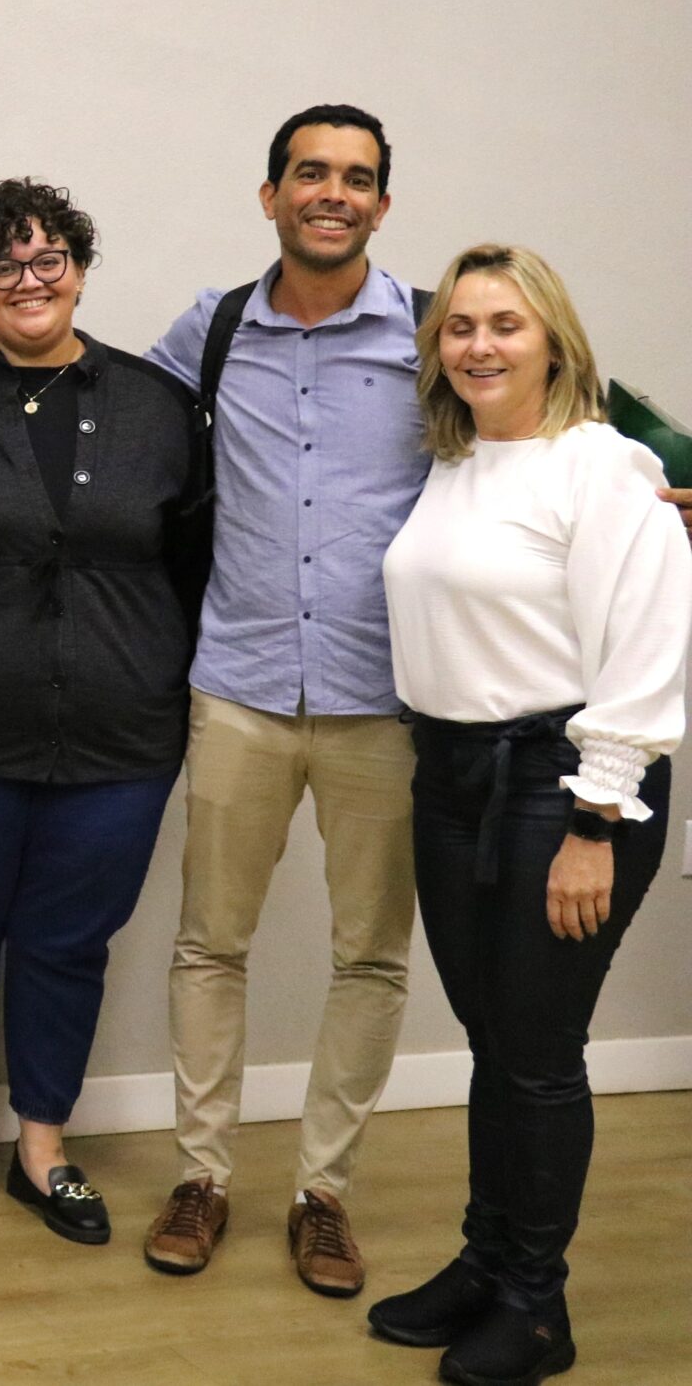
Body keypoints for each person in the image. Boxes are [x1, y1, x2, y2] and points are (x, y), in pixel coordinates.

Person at [372, 245, 687, 1386]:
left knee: (539, 1053)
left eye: (504, 324)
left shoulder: (599, 467)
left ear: (550, 337)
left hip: (563, 784)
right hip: (451, 778)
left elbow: (648, 651)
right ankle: (485, 1262)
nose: (478, 346)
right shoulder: (455, 465)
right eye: (458, 326)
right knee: (493, 1045)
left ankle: (537, 1307)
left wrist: (594, 823)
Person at [137, 105, 426, 1296]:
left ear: (380, 206)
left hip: (387, 700)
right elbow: (95, 402)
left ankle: (324, 1194)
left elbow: (536, 417)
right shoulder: (208, 334)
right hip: (241, 689)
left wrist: (647, 478)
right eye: (310, 173)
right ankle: (202, 1175)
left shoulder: (425, 331)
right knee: (210, 945)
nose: (332, 193)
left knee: (371, 956)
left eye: (356, 179)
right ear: (270, 195)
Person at [0, 180, 202, 1249]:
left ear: (79, 265)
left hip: (122, 741)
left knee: (69, 944)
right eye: (4, 268)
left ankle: (41, 1148)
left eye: (49, 259)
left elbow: (199, 567)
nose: (30, 283)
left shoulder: (159, 407)